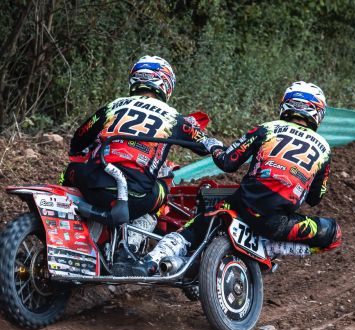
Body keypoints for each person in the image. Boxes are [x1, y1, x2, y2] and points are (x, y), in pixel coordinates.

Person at [137, 81, 342, 275]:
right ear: (318, 112)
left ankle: (153, 259)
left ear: (286, 105)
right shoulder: (324, 149)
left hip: (243, 205)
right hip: (277, 222)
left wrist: (214, 147)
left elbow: (227, 162)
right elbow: (315, 198)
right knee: (333, 234)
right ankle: (269, 248)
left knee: (198, 224)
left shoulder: (267, 128)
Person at [61, 55, 211, 275]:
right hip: (135, 194)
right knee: (163, 188)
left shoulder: (114, 106)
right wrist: (221, 149)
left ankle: (67, 218)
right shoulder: (174, 118)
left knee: (70, 170)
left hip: (93, 183)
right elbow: (205, 145)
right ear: (166, 84)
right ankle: (127, 245)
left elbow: (78, 139)